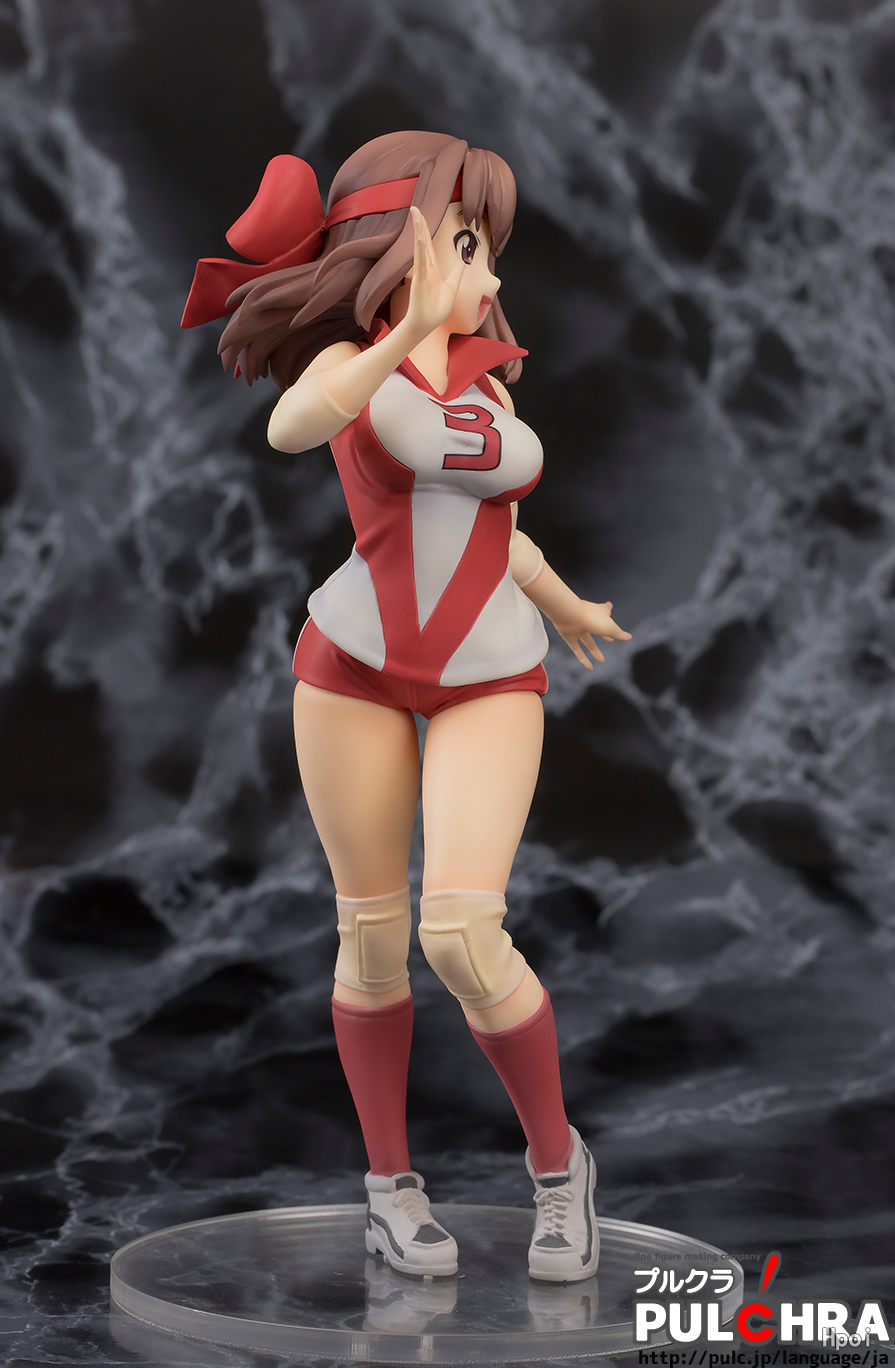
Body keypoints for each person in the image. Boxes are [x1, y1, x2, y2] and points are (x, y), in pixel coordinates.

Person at [182, 131, 631, 1282]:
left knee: (462, 935)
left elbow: (494, 527)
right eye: (468, 244)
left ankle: (559, 1169)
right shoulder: (357, 368)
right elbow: (292, 424)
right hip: (355, 663)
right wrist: (401, 336)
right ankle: (391, 1189)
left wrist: (564, 601)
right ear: (402, 247)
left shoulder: (487, 383)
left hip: (489, 671)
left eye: (488, 250)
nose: (488, 275)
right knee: (372, 936)